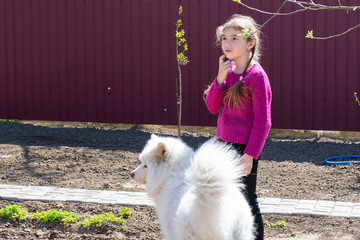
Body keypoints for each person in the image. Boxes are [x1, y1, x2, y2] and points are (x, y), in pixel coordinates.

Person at [204, 14, 272, 240]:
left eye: (234, 38)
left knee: (247, 199)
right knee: (226, 197)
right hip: (222, 144)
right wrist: (220, 79)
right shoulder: (227, 71)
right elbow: (213, 107)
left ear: (250, 43)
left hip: (243, 148)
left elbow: (264, 122)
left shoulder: (257, 77)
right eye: (224, 38)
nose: (228, 44)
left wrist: (250, 155)